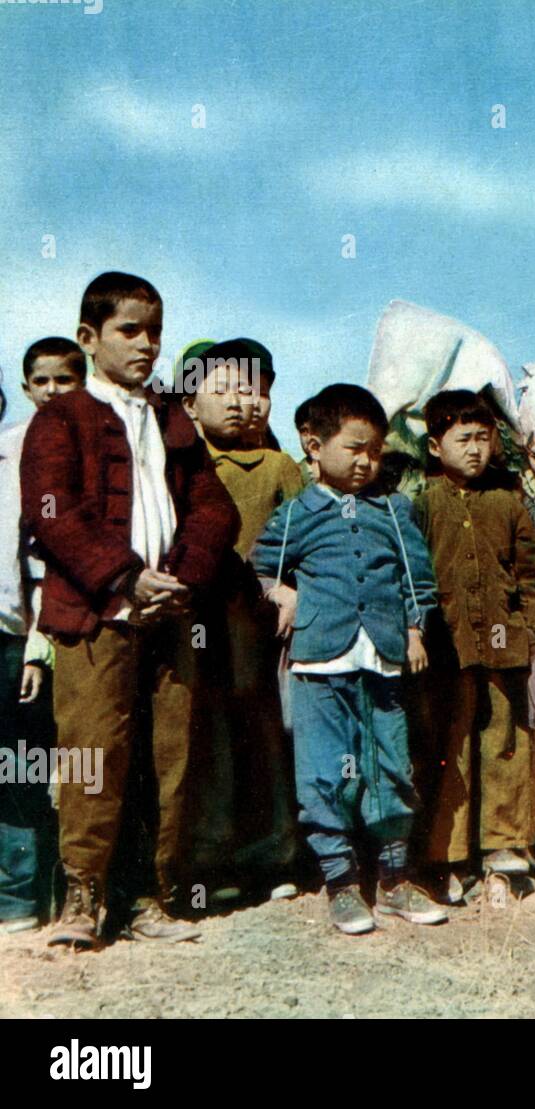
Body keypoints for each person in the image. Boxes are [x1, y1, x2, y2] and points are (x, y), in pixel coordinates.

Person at [21, 272, 239, 946]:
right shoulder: (62, 418)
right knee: (94, 753)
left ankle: (150, 896)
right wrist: (125, 577)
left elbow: (213, 507)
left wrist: (177, 579)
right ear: (90, 339)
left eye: (154, 331)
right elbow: (52, 513)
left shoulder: (173, 416)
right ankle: (83, 900)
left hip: (167, 614)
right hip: (94, 616)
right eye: (129, 331)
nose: (146, 344)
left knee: (166, 756)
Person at [250, 383, 445, 934]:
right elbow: (259, 566)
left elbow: (418, 580)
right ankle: (339, 883)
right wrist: (280, 593)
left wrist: (413, 629)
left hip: (382, 659)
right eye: (354, 448)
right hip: (319, 662)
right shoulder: (295, 516)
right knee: (323, 772)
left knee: (391, 765)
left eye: (375, 450)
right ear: (313, 446)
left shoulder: (394, 509)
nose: (366, 461)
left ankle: (394, 882)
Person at [416, 390, 535, 896]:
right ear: (435, 446)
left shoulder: (508, 502)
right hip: (446, 650)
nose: (475, 449)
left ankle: (504, 851)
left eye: (483, 438)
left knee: (505, 746)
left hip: (505, 649)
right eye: (462, 439)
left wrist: (533, 629)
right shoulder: (423, 503)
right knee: (453, 751)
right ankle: (449, 857)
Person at [181, 338, 304, 902]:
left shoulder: (279, 467)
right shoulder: (180, 464)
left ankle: (275, 856)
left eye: (249, 390)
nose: (238, 402)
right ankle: (208, 861)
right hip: (196, 617)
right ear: (191, 401)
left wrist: (292, 590)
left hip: (260, 621)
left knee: (265, 734)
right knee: (206, 738)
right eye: (223, 389)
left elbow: (308, 539)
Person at [0, 338, 86, 933]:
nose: (52, 391)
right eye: (43, 380)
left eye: (65, 379)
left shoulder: (21, 457)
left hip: (15, 637)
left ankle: (22, 896)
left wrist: (36, 642)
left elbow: (39, 561)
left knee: (24, 766)